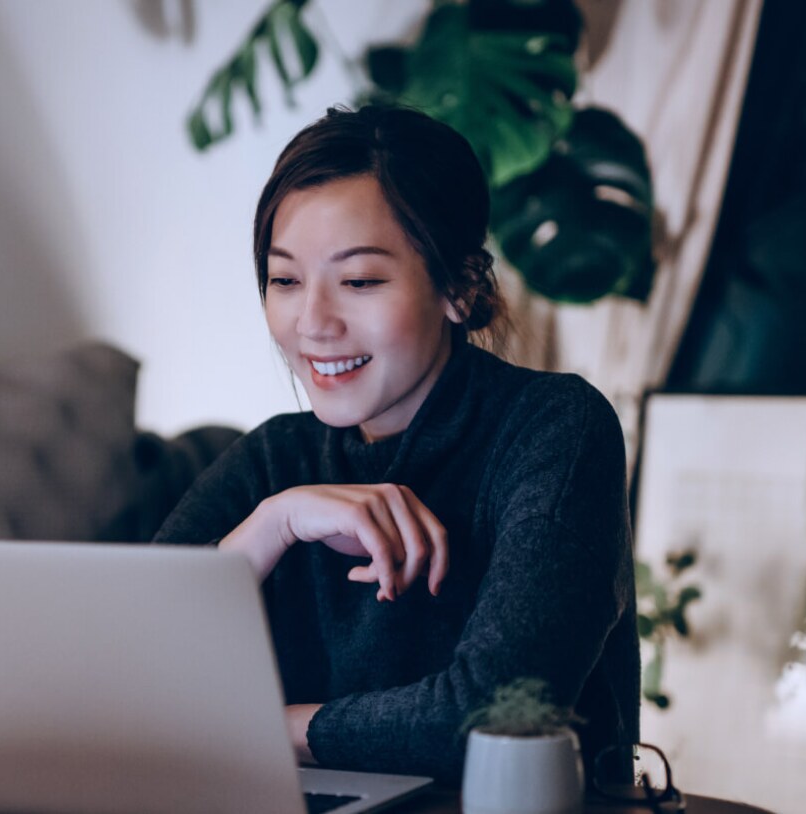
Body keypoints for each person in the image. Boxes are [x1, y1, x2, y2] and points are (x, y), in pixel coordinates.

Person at [153, 104, 639, 784]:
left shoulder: (556, 430)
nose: (313, 324)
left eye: (359, 281)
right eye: (285, 279)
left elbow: (495, 717)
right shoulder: (273, 461)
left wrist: (261, 726)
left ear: (460, 287)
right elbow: (126, 671)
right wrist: (276, 524)